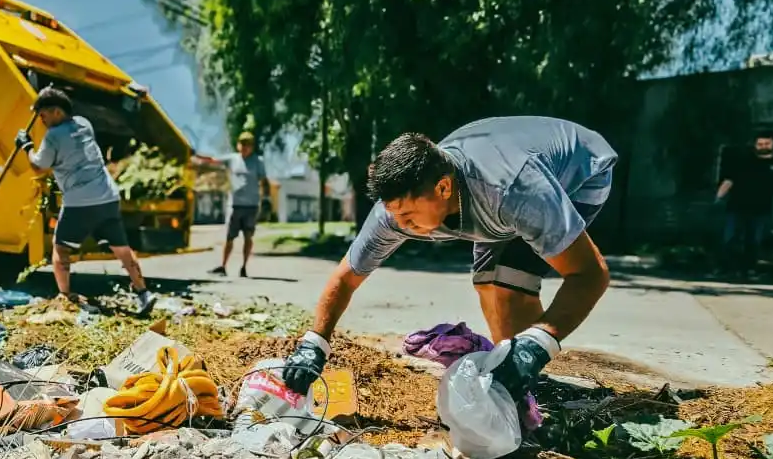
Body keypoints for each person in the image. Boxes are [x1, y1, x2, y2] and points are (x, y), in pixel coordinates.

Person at [281, 116, 619, 408]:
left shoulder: (514, 190)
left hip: (579, 172)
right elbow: (347, 276)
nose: (401, 224)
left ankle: (527, 382)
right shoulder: (395, 211)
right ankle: (516, 382)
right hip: (498, 194)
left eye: (409, 215)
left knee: (508, 285)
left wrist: (540, 342)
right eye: (395, 215)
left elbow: (590, 275)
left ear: (443, 187)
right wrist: (315, 343)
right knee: (488, 286)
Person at [16, 86, 156, 314]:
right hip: (108, 197)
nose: (41, 120)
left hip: (80, 202)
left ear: (57, 112)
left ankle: (65, 298)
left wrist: (26, 146)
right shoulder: (84, 123)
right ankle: (143, 294)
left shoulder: (53, 136)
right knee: (122, 248)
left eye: (43, 115)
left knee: (60, 250)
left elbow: (38, 167)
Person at [715, 129, 773, 276]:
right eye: (760, 144)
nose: (763, 146)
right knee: (729, 238)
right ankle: (725, 268)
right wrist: (718, 198)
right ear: (755, 144)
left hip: (762, 209)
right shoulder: (744, 160)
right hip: (736, 207)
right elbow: (729, 180)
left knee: (754, 240)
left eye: (767, 143)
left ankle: (749, 269)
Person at [210, 131, 270, 277]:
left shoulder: (258, 161)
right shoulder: (233, 159)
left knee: (248, 236)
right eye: (242, 144)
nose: (244, 148)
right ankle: (223, 266)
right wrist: (196, 155)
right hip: (235, 204)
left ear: (252, 147)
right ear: (238, 145)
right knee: (230, 237)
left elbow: (263, 181)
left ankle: (244, 267)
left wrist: (266, 200)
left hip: (251, 205)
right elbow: (213, 160)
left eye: (247, 145)